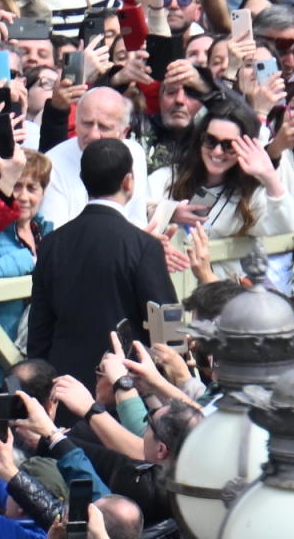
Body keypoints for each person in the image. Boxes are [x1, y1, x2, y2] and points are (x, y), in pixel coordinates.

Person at [21, 137, 178, 382]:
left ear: (83, 179)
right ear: (129, 181)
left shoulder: (52, 243)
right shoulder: (144, 245)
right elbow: (167, 326)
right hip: (126, 382)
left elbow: (39, 329)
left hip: (65, 382)